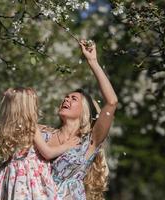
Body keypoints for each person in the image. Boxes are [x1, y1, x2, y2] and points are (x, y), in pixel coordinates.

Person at [44, 40, 118, 200]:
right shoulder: (45, 135)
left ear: (84, 110)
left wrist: (92, 61)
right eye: (66, 97)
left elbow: (112, 102)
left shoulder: (89, 142)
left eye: (73, 98)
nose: (66, 99)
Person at [0, 87, 80, 200]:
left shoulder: (3, 128)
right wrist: (67, 145)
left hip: (9, 178)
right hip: (27, 178)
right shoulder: (31, 127)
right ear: (27, 107)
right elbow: (47, 153)